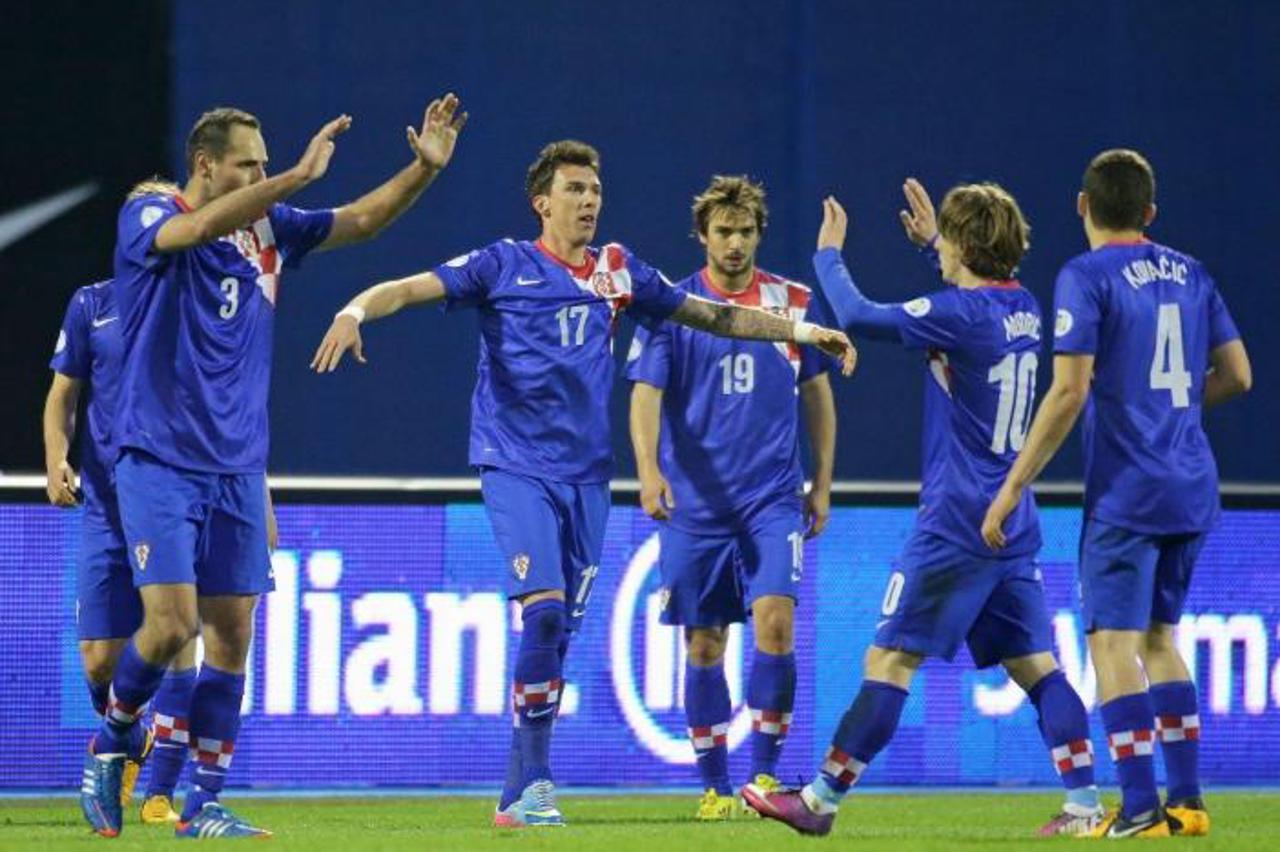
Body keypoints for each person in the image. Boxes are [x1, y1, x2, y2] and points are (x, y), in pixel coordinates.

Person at [310, 140, 855, 828]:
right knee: (542, 611)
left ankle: (523, 789)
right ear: (543, 202)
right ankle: (529, 786)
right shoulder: (502, 264)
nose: (589, 200)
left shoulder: (618, 272)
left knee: (558, 632)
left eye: (594, 189)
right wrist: (356, 310)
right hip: (516, 468)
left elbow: (715, 314)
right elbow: (409, 287)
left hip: (587, 480)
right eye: (574, 189)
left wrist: (806, 330)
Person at [79, 93, 468, 840]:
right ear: (206, 165)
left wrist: (422, 170)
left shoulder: (268, 230)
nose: (261, 174)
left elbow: (357, 220)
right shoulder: (150, 215)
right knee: (169, 625)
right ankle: (113, 740)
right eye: (248, 164)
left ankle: (204, 803)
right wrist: (292, 177)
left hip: (236, 467)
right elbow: (194, 228)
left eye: (265, 163)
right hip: (158, 455)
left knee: (233, 635)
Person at [745, 182, 1103, 837]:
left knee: (888, 662)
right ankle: (1084, 806)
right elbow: (967, 297)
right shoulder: (1022, 303)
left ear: (965, 244)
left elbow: (856, 315)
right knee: (1037, 668)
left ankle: (820, 801)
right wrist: (936, 245)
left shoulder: (957, 313)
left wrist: (828, 255)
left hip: (956, 525)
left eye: (949, 238)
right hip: (1012, 520)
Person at [982, 150, 1252, 838]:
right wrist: (1177, 414)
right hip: (1192, 485)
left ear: (1083, 205)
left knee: (1111, 646)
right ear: (1150, 212)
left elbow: (1070, 391)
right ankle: (1187, 804)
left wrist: (1013, 485)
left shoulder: (1085, 275)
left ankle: (1137, 808)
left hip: (1128, 492)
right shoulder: (1192, 272)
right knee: (1162, 641)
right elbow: (1240, 375)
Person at [625, 175, 838, 819]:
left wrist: (822, 480)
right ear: (703, 236)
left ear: (758, 235)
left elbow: (818, 394)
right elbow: (644, 394)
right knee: (705, 645)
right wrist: (647, 471)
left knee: (777, 620)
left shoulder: (792, 303)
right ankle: (715, 788)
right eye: (724, 231)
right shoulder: (674, 306)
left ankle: (764, 781)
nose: (736, 243)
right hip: (697, 506)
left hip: (771, 500)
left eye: (746, 231)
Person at [46, 278, 276, 826]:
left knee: (182, 631)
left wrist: (257, 494)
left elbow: (234, 407)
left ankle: (170, 797)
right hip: (109, 503)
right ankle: (128, 733)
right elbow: (63, 396)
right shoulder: (93, 303)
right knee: (101, 659)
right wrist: (57, 458)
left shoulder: (207, 303)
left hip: (186, 492)